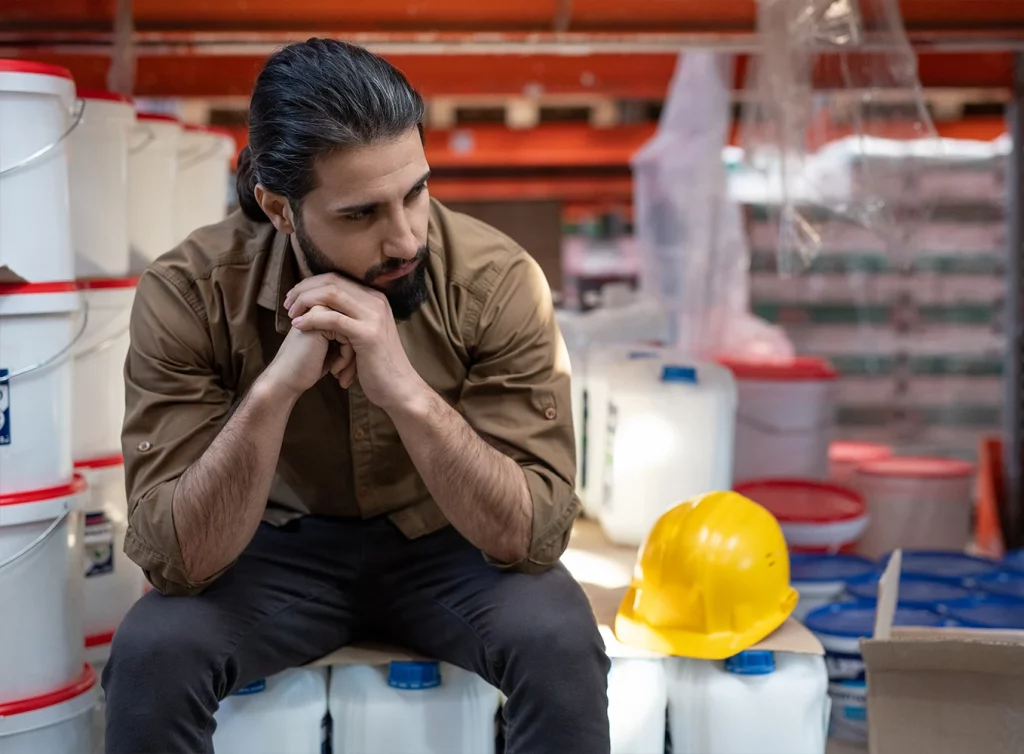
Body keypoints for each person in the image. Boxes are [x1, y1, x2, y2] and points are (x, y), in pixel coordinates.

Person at [103, 37, 610, 753]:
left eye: (415, 192)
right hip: (272, 548)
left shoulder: (497, 281)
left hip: (449, 542)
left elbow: (532, 538)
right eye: (360, 215)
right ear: (278, 208)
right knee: (153, 654)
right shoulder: (190, 292)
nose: (404, 238)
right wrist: (277, 388)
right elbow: (177, 561)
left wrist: (403, 389)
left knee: (560, 642)